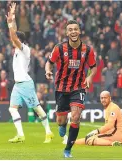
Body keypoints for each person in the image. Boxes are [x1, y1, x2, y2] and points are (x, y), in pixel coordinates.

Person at [45, 20, 97, 158]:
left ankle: (68, 149)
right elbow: (49, 63)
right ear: (67, 33)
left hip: (78, 87)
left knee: (76, 116)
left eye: (75, 29)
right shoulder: (59, 48)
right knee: (61, 121)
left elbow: (93, 67)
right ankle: (63, 124)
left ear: (79, 31)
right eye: (70, 30)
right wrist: (48, 71)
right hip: (61, 88)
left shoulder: (88, 50)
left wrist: (90, 78)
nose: (73, 31)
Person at [6, 2, 53, 143]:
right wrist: (12, 17)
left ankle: (48, 132)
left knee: (37, 109)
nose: (12, 41)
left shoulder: (25, 49)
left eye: (15, 39)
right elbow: (14, 33)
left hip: (26, 84)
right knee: (12, 109)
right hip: (17, 85)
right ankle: (20, 135)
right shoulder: (17, 48)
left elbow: (13, 36)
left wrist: (9, 25)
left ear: (20, 40)